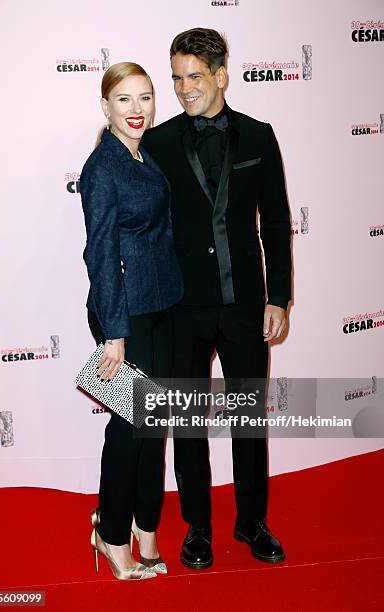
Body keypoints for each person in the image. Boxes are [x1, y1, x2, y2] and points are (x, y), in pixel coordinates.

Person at [142, 28, 292, 569]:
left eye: (194, 77)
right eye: (177, 77)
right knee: (188, 423)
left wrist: (280, 297)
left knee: (249, 418)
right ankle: (197, 527)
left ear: (221, 75)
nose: (183, 89)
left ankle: (252, 521)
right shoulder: (156, 143)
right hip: (182, 306)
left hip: (246, 302)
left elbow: (275, 220)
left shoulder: (258, 136)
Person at [79, 62, 183, 580]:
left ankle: (146, 527)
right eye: (124, 99)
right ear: (106, 106)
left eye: (145, 97)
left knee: (153, 426)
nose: (137, 109)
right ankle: (113, 534)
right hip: (127, 315)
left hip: (163, 304)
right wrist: (114, 334)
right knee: (128, 430)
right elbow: (99, 254)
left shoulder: (142, 154)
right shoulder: (102, 168)